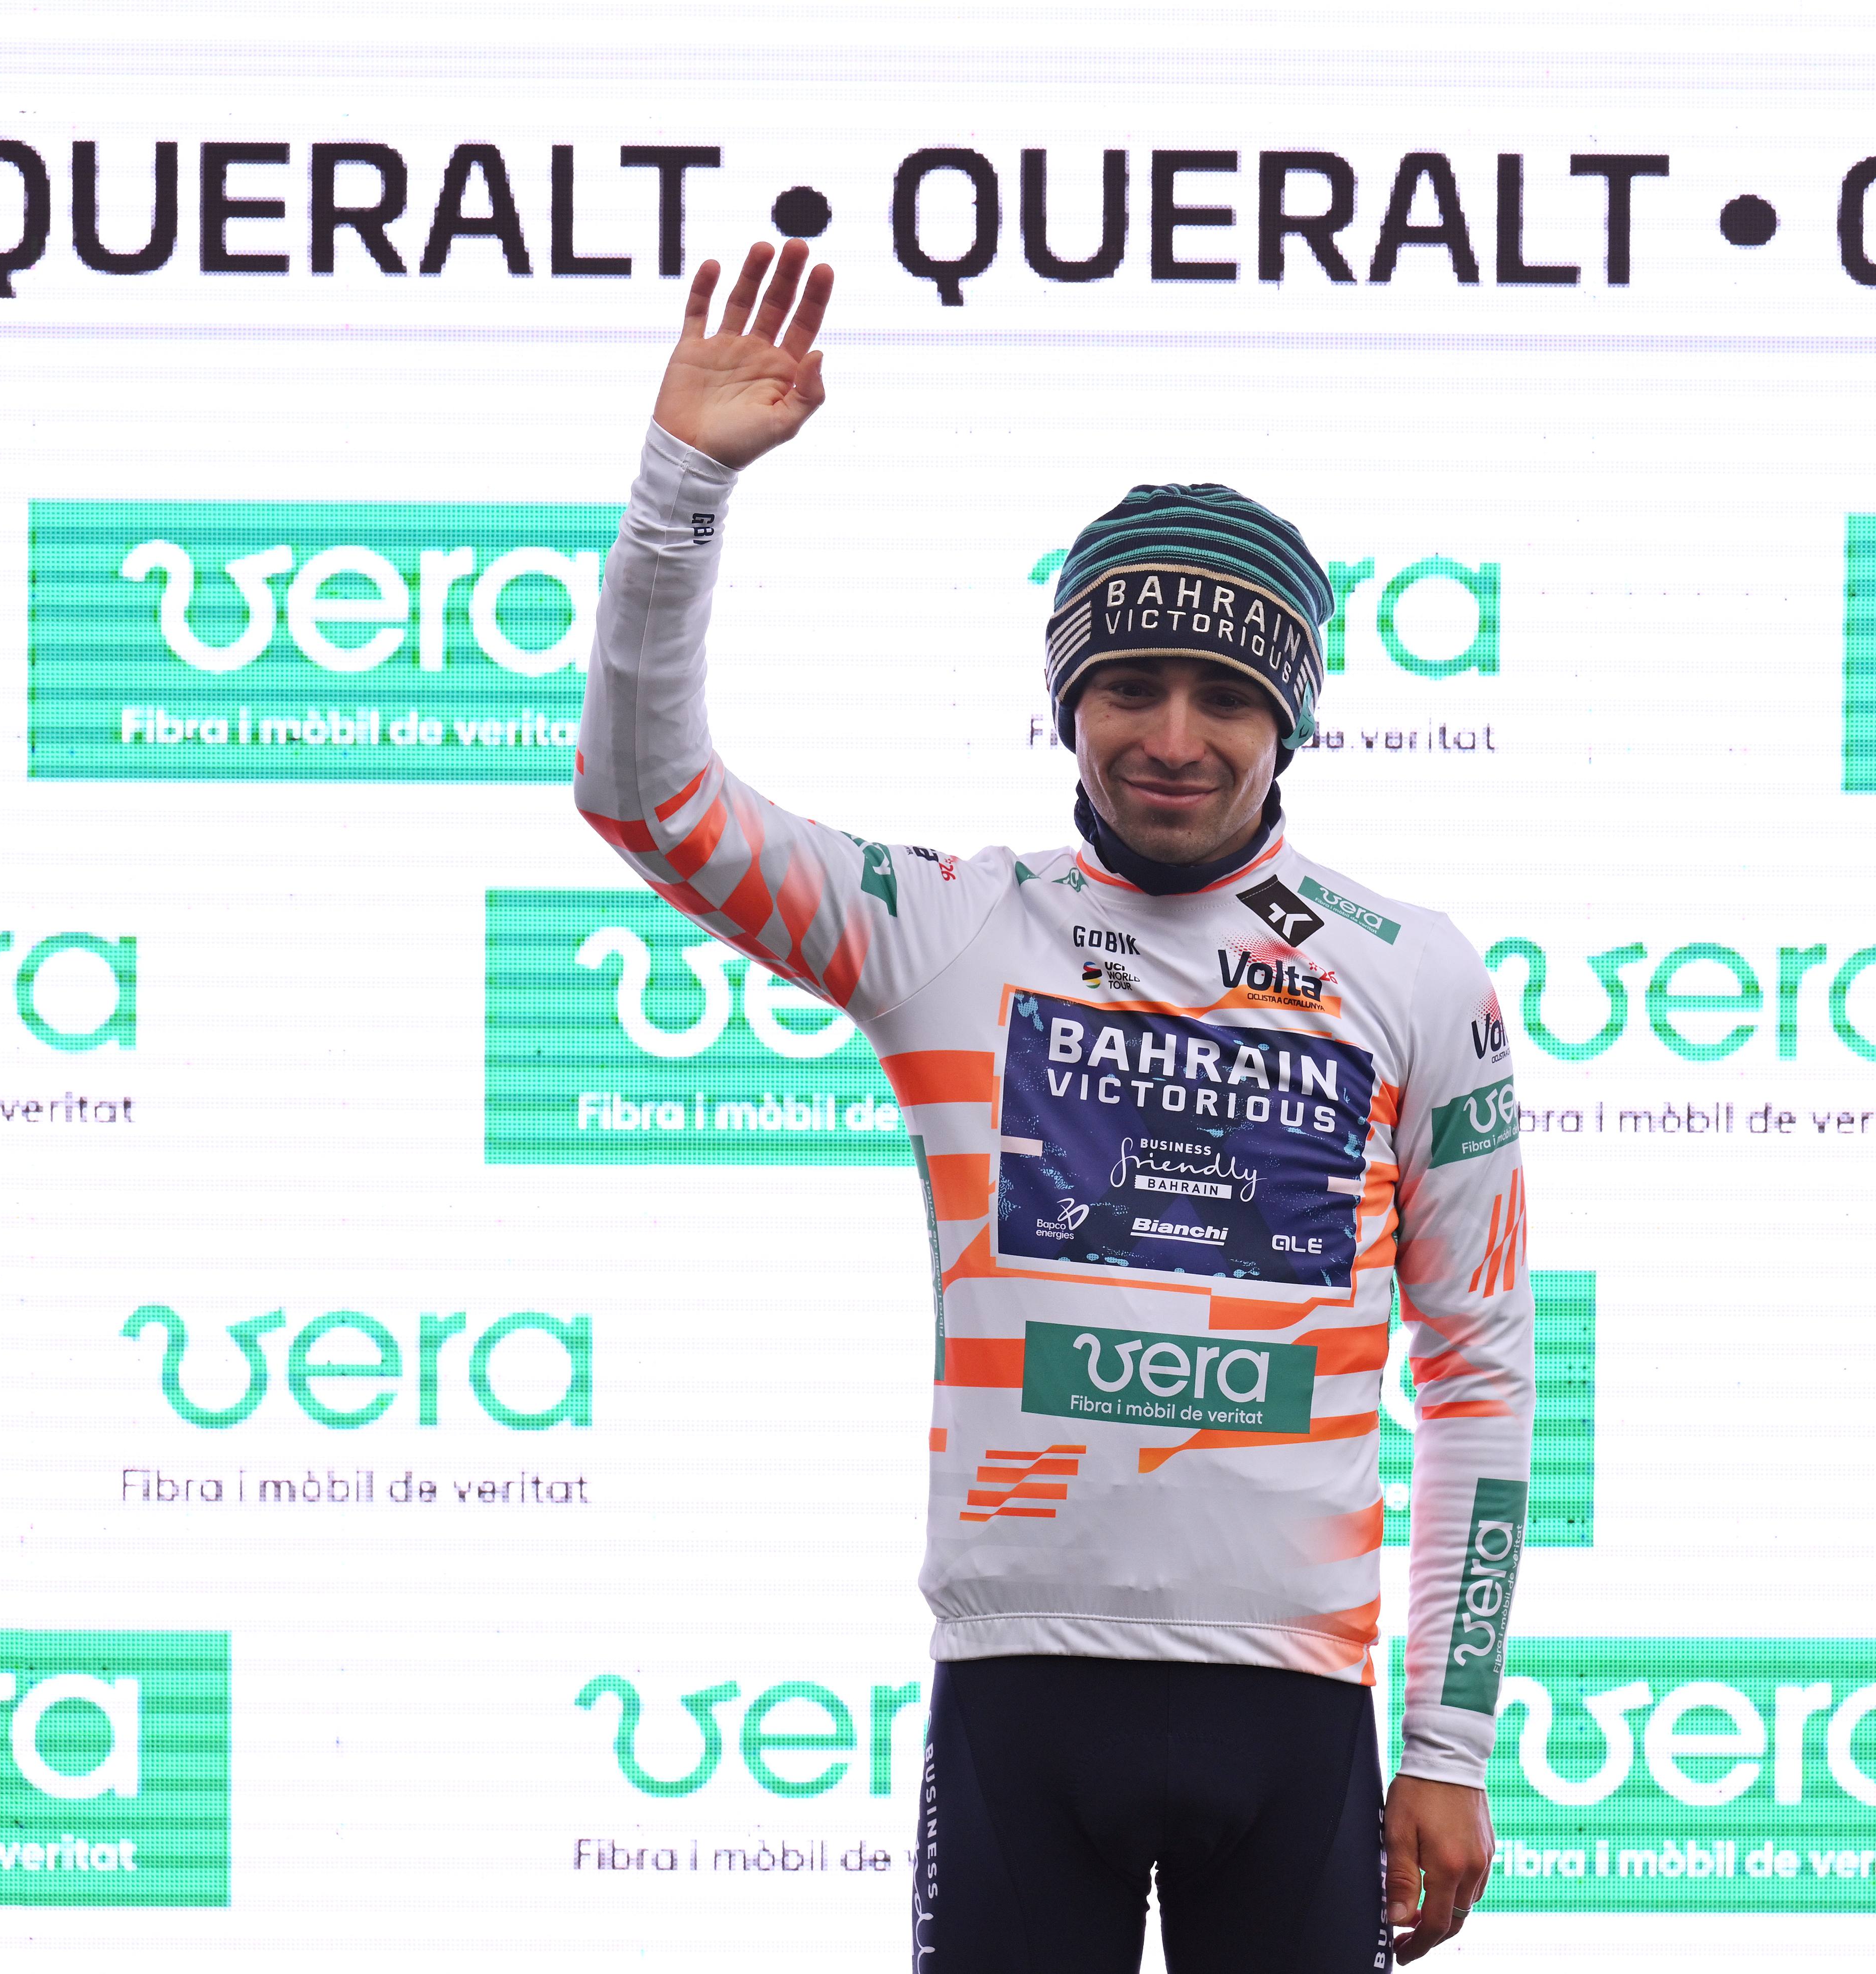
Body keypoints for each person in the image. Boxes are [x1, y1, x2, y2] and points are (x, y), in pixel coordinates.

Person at [575, 238, 1535, 1971]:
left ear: (1293, 715)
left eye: (1228, 694)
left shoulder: (1420, 976)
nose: (1174, 734)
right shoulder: (949, 923)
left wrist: (1449, 1745)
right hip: (1021, 1692)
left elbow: (1478, 1370)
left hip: (1293, 1707)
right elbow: (646, 795)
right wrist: (684, 484)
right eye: (1129, 687)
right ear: (1066, 700)